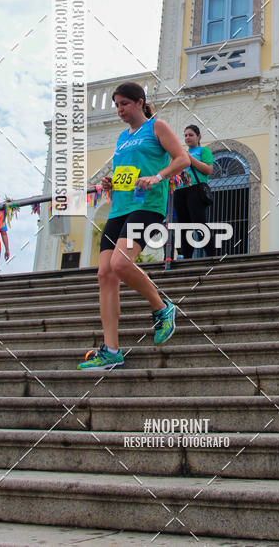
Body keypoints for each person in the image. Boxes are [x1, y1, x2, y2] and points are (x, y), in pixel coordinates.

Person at [78, 82, 190, 369]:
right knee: (105, 274)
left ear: (140, 102)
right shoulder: (121, 138)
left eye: (124, 104)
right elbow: (126, 174)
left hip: (148, 207)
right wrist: (111, 183)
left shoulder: (156, 127)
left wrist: (158, 176)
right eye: (116, 105)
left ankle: (163, 308)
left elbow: (183, 159)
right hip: (119, 208)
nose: (119, 110)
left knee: (120, 263)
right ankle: (111, 350)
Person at [167, 124, 214, 264]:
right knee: (183, 225)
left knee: (199, 222)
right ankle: (187, 257)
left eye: (191, 135)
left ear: (198, 137)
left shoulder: (203, 150)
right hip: (180, 190)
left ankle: (211, 254)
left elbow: (208, 170)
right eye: (185, 135)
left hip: (195, 189)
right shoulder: (179, 154)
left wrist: (189, 158)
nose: (187, 138)